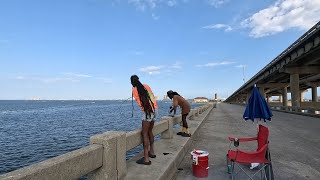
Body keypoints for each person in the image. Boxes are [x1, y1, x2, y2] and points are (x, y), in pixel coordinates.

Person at [131, 75, 158, 165]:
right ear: (138, 80)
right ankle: (152, 152)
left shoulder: (134, 90)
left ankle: (146, 159)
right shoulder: (146, 86)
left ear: (132, 82)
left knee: (144, 133)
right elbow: (152, 97)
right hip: (155, 109)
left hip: (147, 112)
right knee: (150, 131)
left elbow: (140, 103)